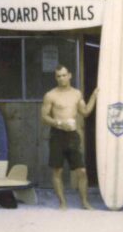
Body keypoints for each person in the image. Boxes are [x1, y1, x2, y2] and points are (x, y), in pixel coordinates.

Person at [41, 65, 98, 210]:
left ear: (70, 75)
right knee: (57, 171)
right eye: (58, 76)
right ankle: (62, 203)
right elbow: (44, 117)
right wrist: (59, 123)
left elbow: (85, 112)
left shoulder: (76, 94)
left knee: (82, 171)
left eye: (64, 75)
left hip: (72, 135)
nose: (61, 78)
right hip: (57, 135)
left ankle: (85, 202)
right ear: (56, 78)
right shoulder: (51, 95)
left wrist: (93, 97)